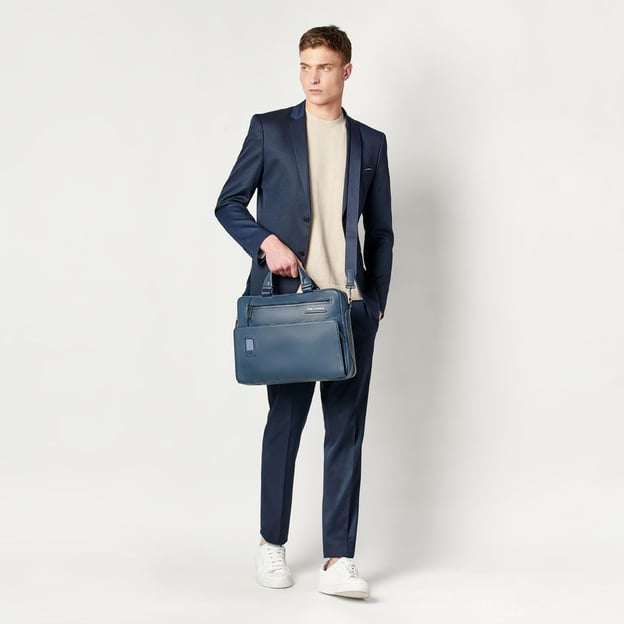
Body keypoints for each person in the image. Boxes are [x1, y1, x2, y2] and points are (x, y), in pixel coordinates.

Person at [215, 25, 393, 599]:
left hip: (349, 311)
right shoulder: (269, 130)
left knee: (345, 434)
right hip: (289, 309)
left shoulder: (370, 143)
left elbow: (381, 231)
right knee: (285, 427)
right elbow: (229, 203)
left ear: (346, 71)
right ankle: (272, 543)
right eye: (304, 66)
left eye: (324, 67)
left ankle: (339, 558)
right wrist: (265, 242)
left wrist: (375, 302)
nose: (312, 78)